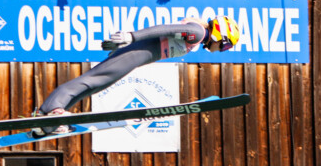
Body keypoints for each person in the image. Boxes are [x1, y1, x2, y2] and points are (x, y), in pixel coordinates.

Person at [31, 15, 241, 137]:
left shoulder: (198, 36)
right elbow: (164, 28)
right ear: (218, 34)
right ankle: (49, 110)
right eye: (224, 45)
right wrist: (131, 37)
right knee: (91, 81)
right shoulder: (198, 33)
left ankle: (48, 123)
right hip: (135, 52)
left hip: (138, 57)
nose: (221, 50)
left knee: (95, 86)